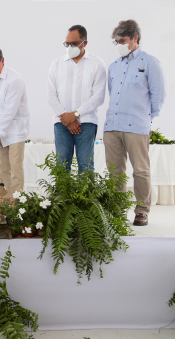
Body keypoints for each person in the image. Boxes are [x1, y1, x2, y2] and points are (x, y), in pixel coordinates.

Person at [104, 19, 165, 226]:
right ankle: (117, 210)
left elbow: (158, 96)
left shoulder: (150, 62)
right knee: (115, 172)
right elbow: (113, 94)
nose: (118, 45)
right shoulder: (113, 67)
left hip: (136, 127)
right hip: (112, 126)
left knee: (140, 170)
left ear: (135, 38)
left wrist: (145, 119)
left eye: (122, 40)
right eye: (116, 41)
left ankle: (142, 210)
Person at [47, 25, 106, 173]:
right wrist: (67, 118)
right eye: (67, 44)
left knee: (86, 166)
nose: (69, 47)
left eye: (73, 44)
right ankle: (62, 196)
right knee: (61, 166)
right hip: (62, 123)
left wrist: (75, 115)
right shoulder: (56, 64)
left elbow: (98, 96)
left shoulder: (97, 64)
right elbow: (51, 95)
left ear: (84, 43)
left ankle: (85, 197)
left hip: (86, 123)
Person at [0, 46, 29, 196]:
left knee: (15, 168)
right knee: (3, 169)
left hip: (15, 132)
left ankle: (16, 204)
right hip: (0, 132)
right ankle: (5, 203)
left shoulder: (14, 80)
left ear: (2, 61)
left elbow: (9, 113)